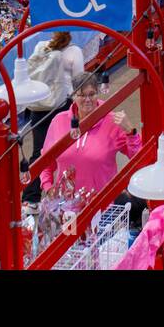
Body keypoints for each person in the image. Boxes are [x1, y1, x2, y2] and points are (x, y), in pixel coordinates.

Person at [38, 72, 141, 195]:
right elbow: (45, 161)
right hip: (66, 208)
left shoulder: (113, 122)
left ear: (98, 93)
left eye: (91, 94)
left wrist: (131, 132)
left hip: (102, 206)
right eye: (82, 95)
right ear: (73, 96)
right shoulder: (59, 121)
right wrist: (48, 187)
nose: (87, 100)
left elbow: (138, 158)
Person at [21, 31, 88, 204]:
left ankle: (30, 199)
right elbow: (79, 83)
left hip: (40, 105)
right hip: (62, 107)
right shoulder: (75, 52)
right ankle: (70, 190)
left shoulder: (41, 46)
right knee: (65, 150)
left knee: (38, 152)